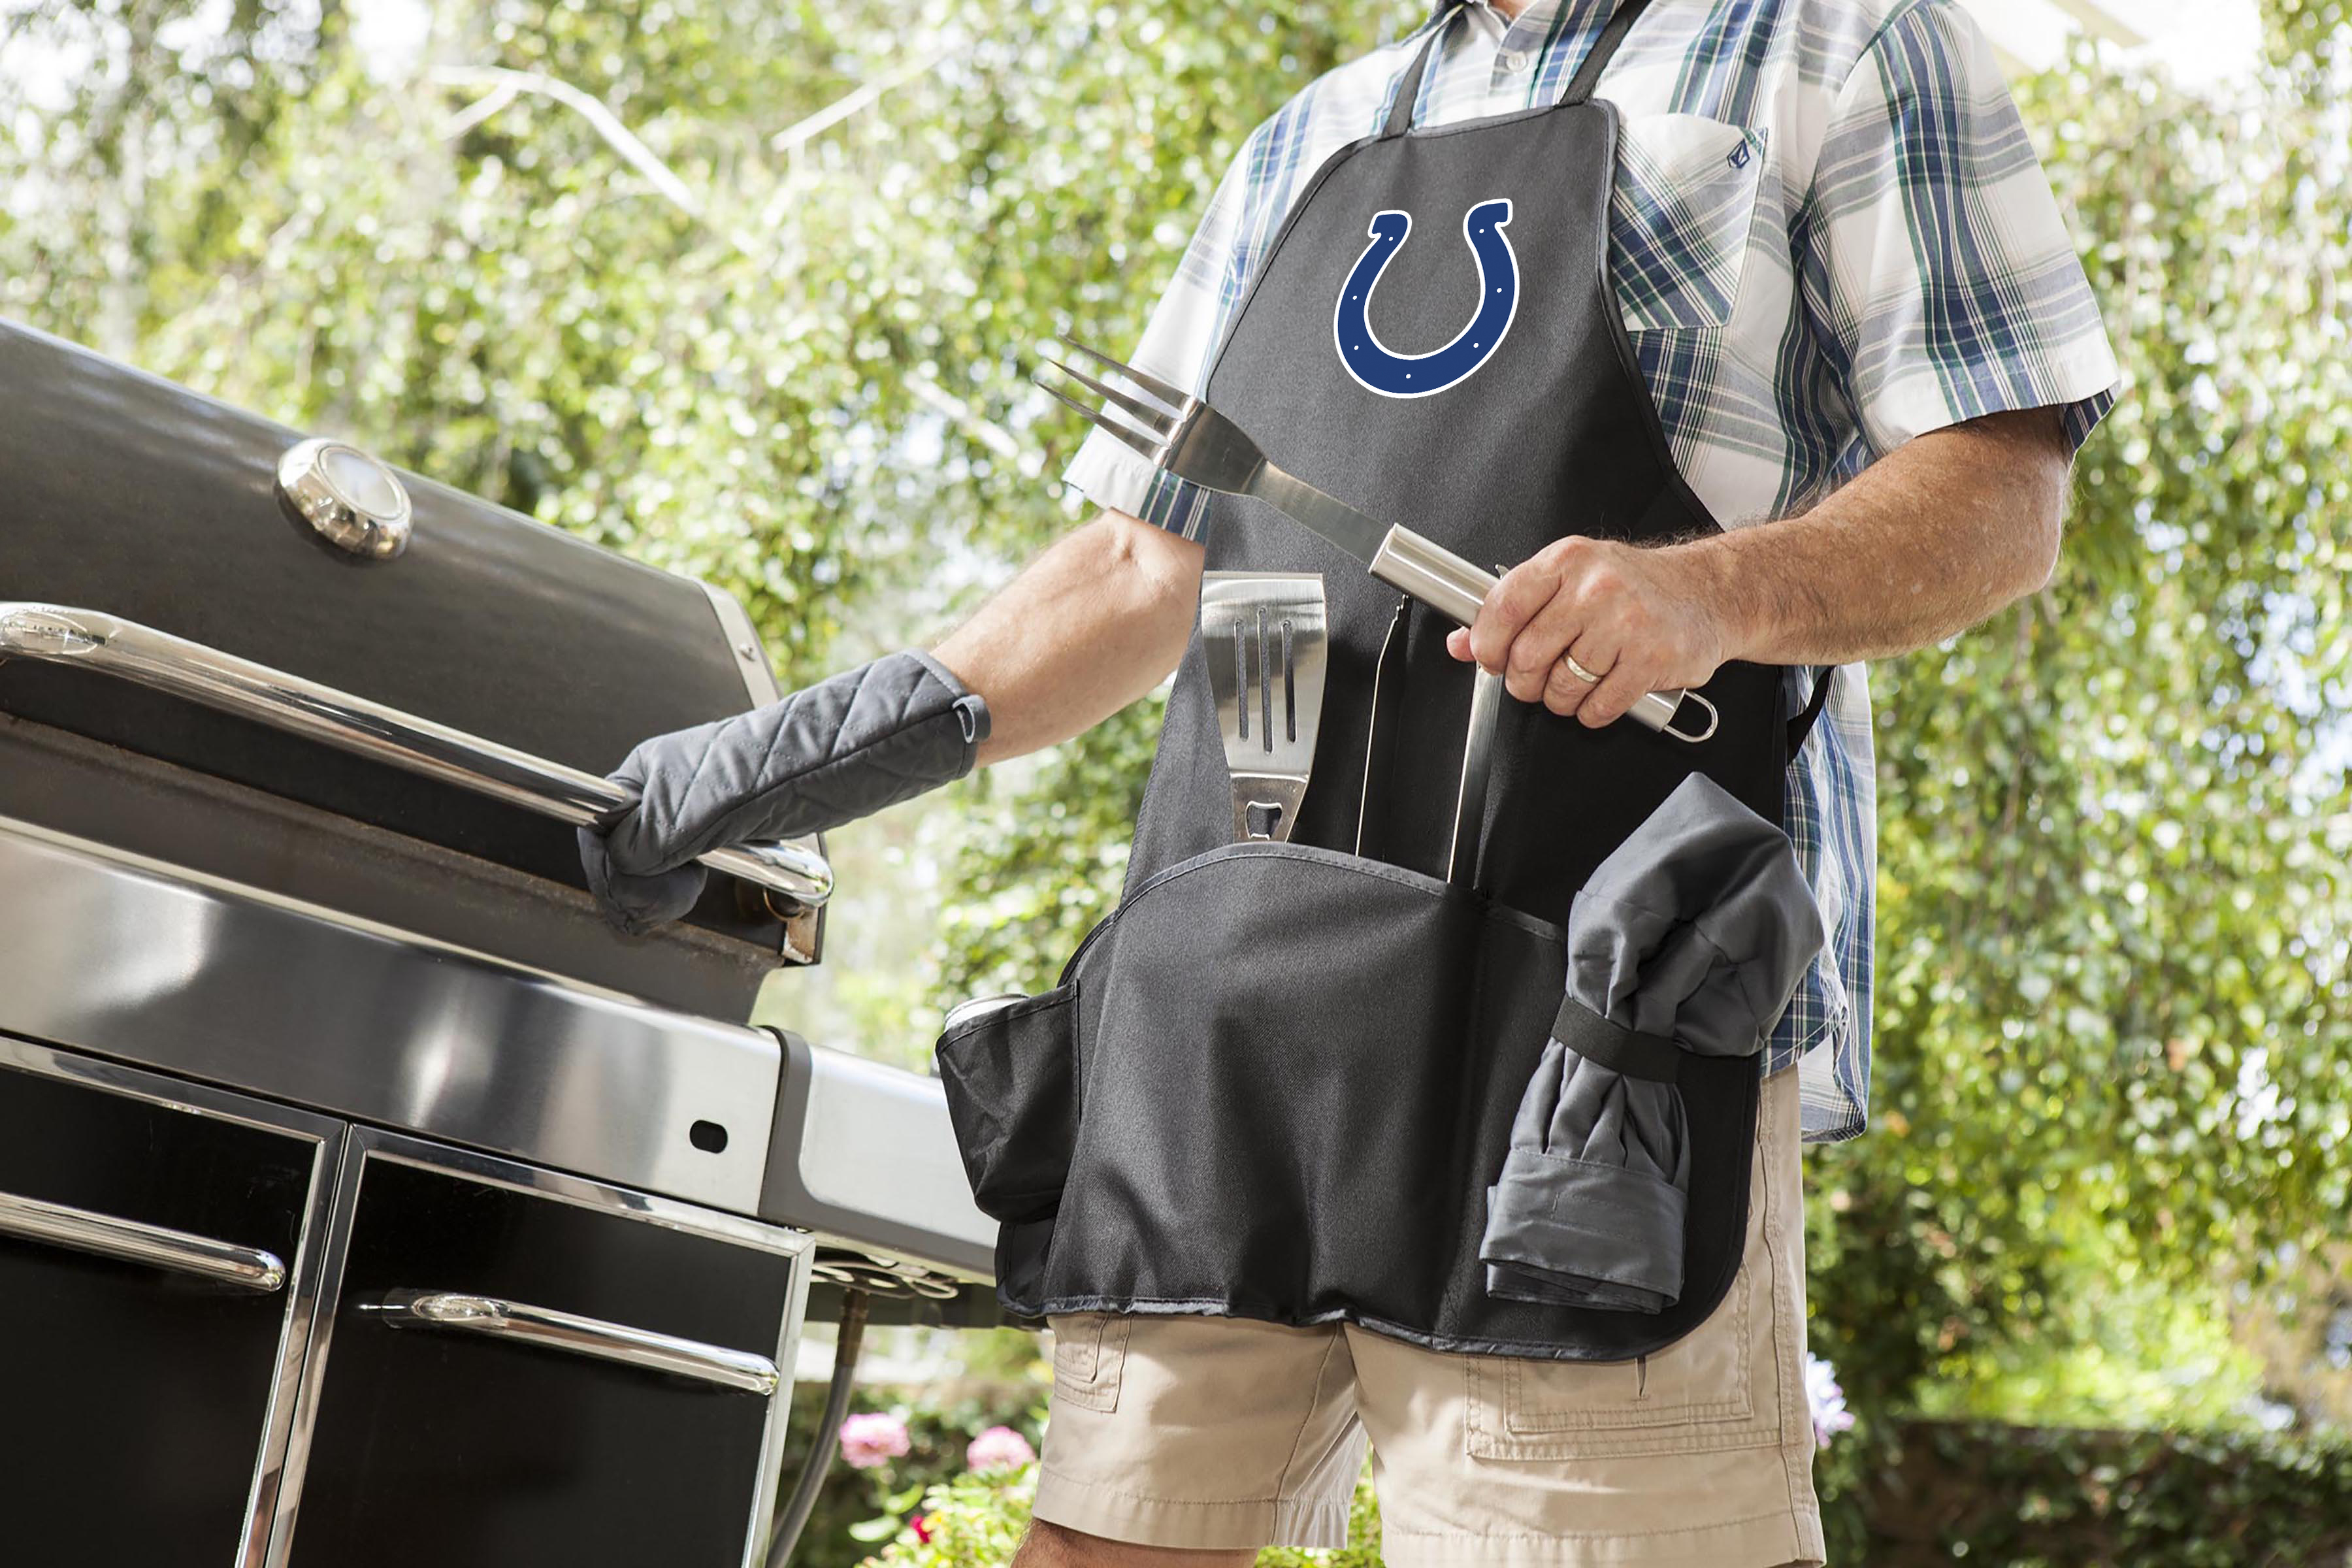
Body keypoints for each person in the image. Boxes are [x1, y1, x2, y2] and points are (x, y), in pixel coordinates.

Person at [580, 2, 2119, 1564]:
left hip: (1586, 1034)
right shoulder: (1316, 134)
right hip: (1222, 1025)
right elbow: (1141, 563)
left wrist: (1709, 597)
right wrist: (796, 757)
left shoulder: (1835, 49)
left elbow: (2003, 489)